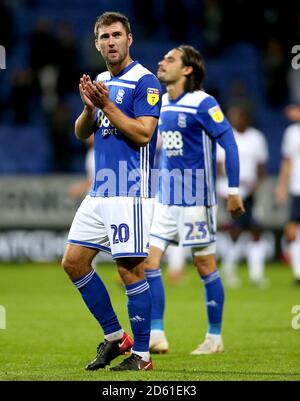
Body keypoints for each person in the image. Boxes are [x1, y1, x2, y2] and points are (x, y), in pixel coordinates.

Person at [62, 11, 162, 371]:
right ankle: (117, 338)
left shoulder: (145, 82)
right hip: (100, 191)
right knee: (73, 262)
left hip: (130, 190)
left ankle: (143, 356)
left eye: (117, 35)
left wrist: (106, 104)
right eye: (104, 37)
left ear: (129, 39)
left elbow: (143, 133)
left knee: (129, 270)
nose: (111, 42)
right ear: (97, 43)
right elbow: (80, 132)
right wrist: (90, 109)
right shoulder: (101, 80)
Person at [143, 45, 245, 354]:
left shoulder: (203, 103)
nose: (162, 62)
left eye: (170, 59)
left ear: (187, 70)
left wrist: (234, 190)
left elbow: (230, 143)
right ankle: (157, 333)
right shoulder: (161, 103)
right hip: (166, 199)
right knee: (149, 261)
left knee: (204, 266)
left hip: (196, 202)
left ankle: (214, 338)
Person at [217, 105, 270, 288]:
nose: (238, 119)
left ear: (247, 118)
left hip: (251, 191)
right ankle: (229, 270)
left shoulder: (256, 138)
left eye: (241, 116)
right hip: (229, 191)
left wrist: (256, 184)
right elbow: (218, 166)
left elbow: (262, 166)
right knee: (234, 231)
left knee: (255, 230)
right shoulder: (224, 136)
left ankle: (256, 274)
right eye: (235, 116)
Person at [275, 104, 300, 285]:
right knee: (292, 231)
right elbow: (287, 161)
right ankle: (298, 272)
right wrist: (282, 186)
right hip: (297, 187)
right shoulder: (292, 132)